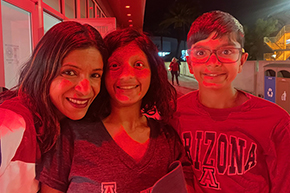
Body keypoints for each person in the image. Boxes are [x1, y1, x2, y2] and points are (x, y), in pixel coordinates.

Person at [37, 28, 194, 193]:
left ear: (153, 74)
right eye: (114, 65)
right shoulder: (71, 136)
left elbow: (187, 186)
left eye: (138, 65)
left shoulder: (167, 139)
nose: (126, 75)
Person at [171, 10, 290, 192]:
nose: (213, 62)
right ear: (190, 63)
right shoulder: (175, 114)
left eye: (226, 51)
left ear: (241, 61)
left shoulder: (276, 123)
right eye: (201, 52)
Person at [0, 21, 107, 193]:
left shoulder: (62, 127)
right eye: (70, 72)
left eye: (95, 75)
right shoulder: (12, 125)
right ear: (44, 69)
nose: (85, 89)